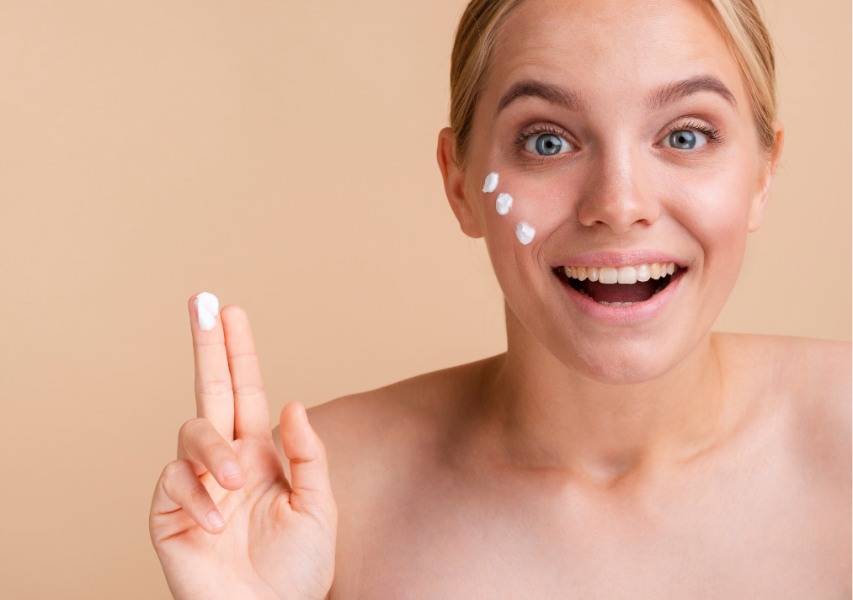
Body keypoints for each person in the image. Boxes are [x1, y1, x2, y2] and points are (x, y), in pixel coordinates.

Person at [149, 0, 851, 597]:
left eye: (685, 135)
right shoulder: (319, 500)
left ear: (763, 173)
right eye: (547, 141)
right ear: (461, 185)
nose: (618, 204)